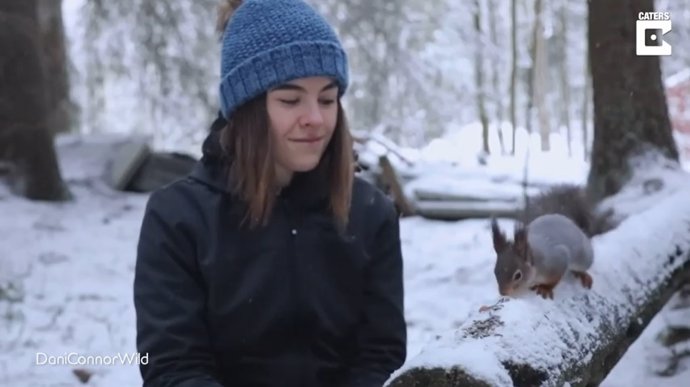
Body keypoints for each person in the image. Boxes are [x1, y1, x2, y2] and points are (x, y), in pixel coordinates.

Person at [133, 0, 407, 386]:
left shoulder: (370, 212)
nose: (315, 118)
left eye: (327, 99)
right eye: (290, 100)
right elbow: (172, 365)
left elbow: (381, 355)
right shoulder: (178, 217)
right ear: (245, 110)